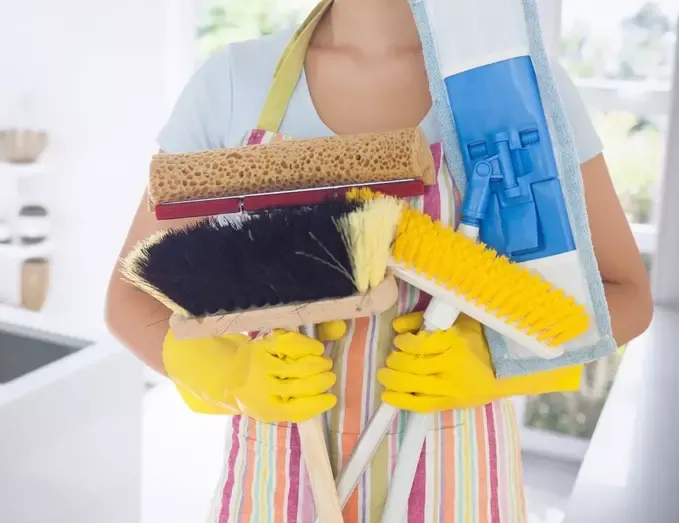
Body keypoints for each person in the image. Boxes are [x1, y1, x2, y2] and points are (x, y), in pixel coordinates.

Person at [105, 0, 654, 521]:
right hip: (273, 486)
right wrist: (229, 375)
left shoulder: (516, 86)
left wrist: (491, 360)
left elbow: (626, 293)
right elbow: (130, 298)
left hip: (458, 486)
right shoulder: (231, 83)